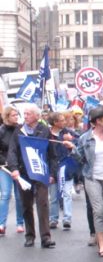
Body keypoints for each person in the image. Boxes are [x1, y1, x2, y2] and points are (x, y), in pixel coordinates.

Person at [7, 104, 60, 248]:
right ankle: (29, 236)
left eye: (28, 114)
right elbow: (12, 151)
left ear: (37, 116)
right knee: (26, 205)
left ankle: (46, 237)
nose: (25, 117)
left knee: (43, 204)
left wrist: (52, 174)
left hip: (40, 172)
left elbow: (52, 154)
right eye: (24, 114)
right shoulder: (19, 131)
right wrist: (14, 169)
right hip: (24, 173)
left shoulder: (44, 131)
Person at [74, 107, 103, 257]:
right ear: (97, 121)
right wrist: (72, 149)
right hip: (92, 177)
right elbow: (80, 158)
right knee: (98, 210)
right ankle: (101, 243)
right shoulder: (84, 138)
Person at [0, 107, 25, 235]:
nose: (16, 117)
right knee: (5, 194)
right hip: (4, 167)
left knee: (19, 196)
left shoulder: (21, 129)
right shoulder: (1, 131)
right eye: (13, 115)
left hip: (19, 166)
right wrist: (4, 161)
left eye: (17, 114)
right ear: (7, 117)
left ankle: (20, 222)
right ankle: (1, 224)